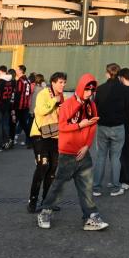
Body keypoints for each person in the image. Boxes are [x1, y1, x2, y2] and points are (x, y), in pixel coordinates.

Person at [36, 73, 109, 231]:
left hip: (83, 152)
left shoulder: (91, 105)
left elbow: (93, 125)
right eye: (87, 89)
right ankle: (45, 212)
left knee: (86, 187)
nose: (89, 93)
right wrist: (79, 125)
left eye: (92, 90)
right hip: (68, 151)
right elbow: (62, 126)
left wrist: (87, 146)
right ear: (81, 87)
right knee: (59, 185)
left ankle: (90, 216)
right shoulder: (68, 104)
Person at [29, 72, 66, 212]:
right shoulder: (44, 93)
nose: (63, 85)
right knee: (42, 167)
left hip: (55, 135)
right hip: (40, 135)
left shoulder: (61, 97)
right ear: (53, 82)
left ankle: (47, 201)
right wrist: (54, 101)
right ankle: (32, 201)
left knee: (53, 169)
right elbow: (40, 111)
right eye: (60, 82)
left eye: (64, 82)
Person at [92, 63, 129, 197]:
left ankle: (96, 187)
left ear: (107, 73)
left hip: (102, 126)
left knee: (100, 157)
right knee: (116, 157)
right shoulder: (125, 90)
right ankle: (115, 187)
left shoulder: (100, 89)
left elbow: (94, 107)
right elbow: (128, 107)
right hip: (118, 126)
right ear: (119, 74)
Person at [14, 65, 35, 146]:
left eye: (17, 69)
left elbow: (18, 93)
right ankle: (29, 141)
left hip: (19, 105)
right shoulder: (28, 80)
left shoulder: (20, 81)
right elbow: (29, 92)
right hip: (25, 105)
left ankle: (11, 140)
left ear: (21, 71)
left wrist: (14, 105)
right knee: (23, 124)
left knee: (13, 123)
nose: (16, 71)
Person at [0, 66, 15, 150]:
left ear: (0, 71)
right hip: (7, 104)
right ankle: (6, 141)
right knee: (5, 124)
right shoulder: (13, 81)